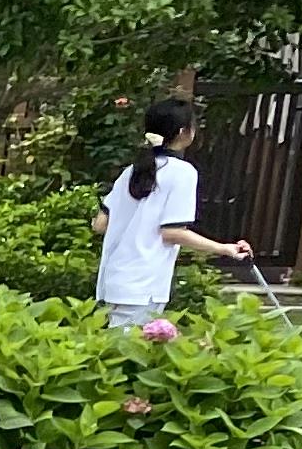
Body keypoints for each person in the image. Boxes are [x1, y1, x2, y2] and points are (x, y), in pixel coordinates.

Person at [98, 99, 251, 324]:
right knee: (133, 344)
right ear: (183, 132)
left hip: (113, 279)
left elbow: (100, 224)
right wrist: (224, 249)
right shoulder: (182, 172)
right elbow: (172, 232)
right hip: (144, 283)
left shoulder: (131, 171)